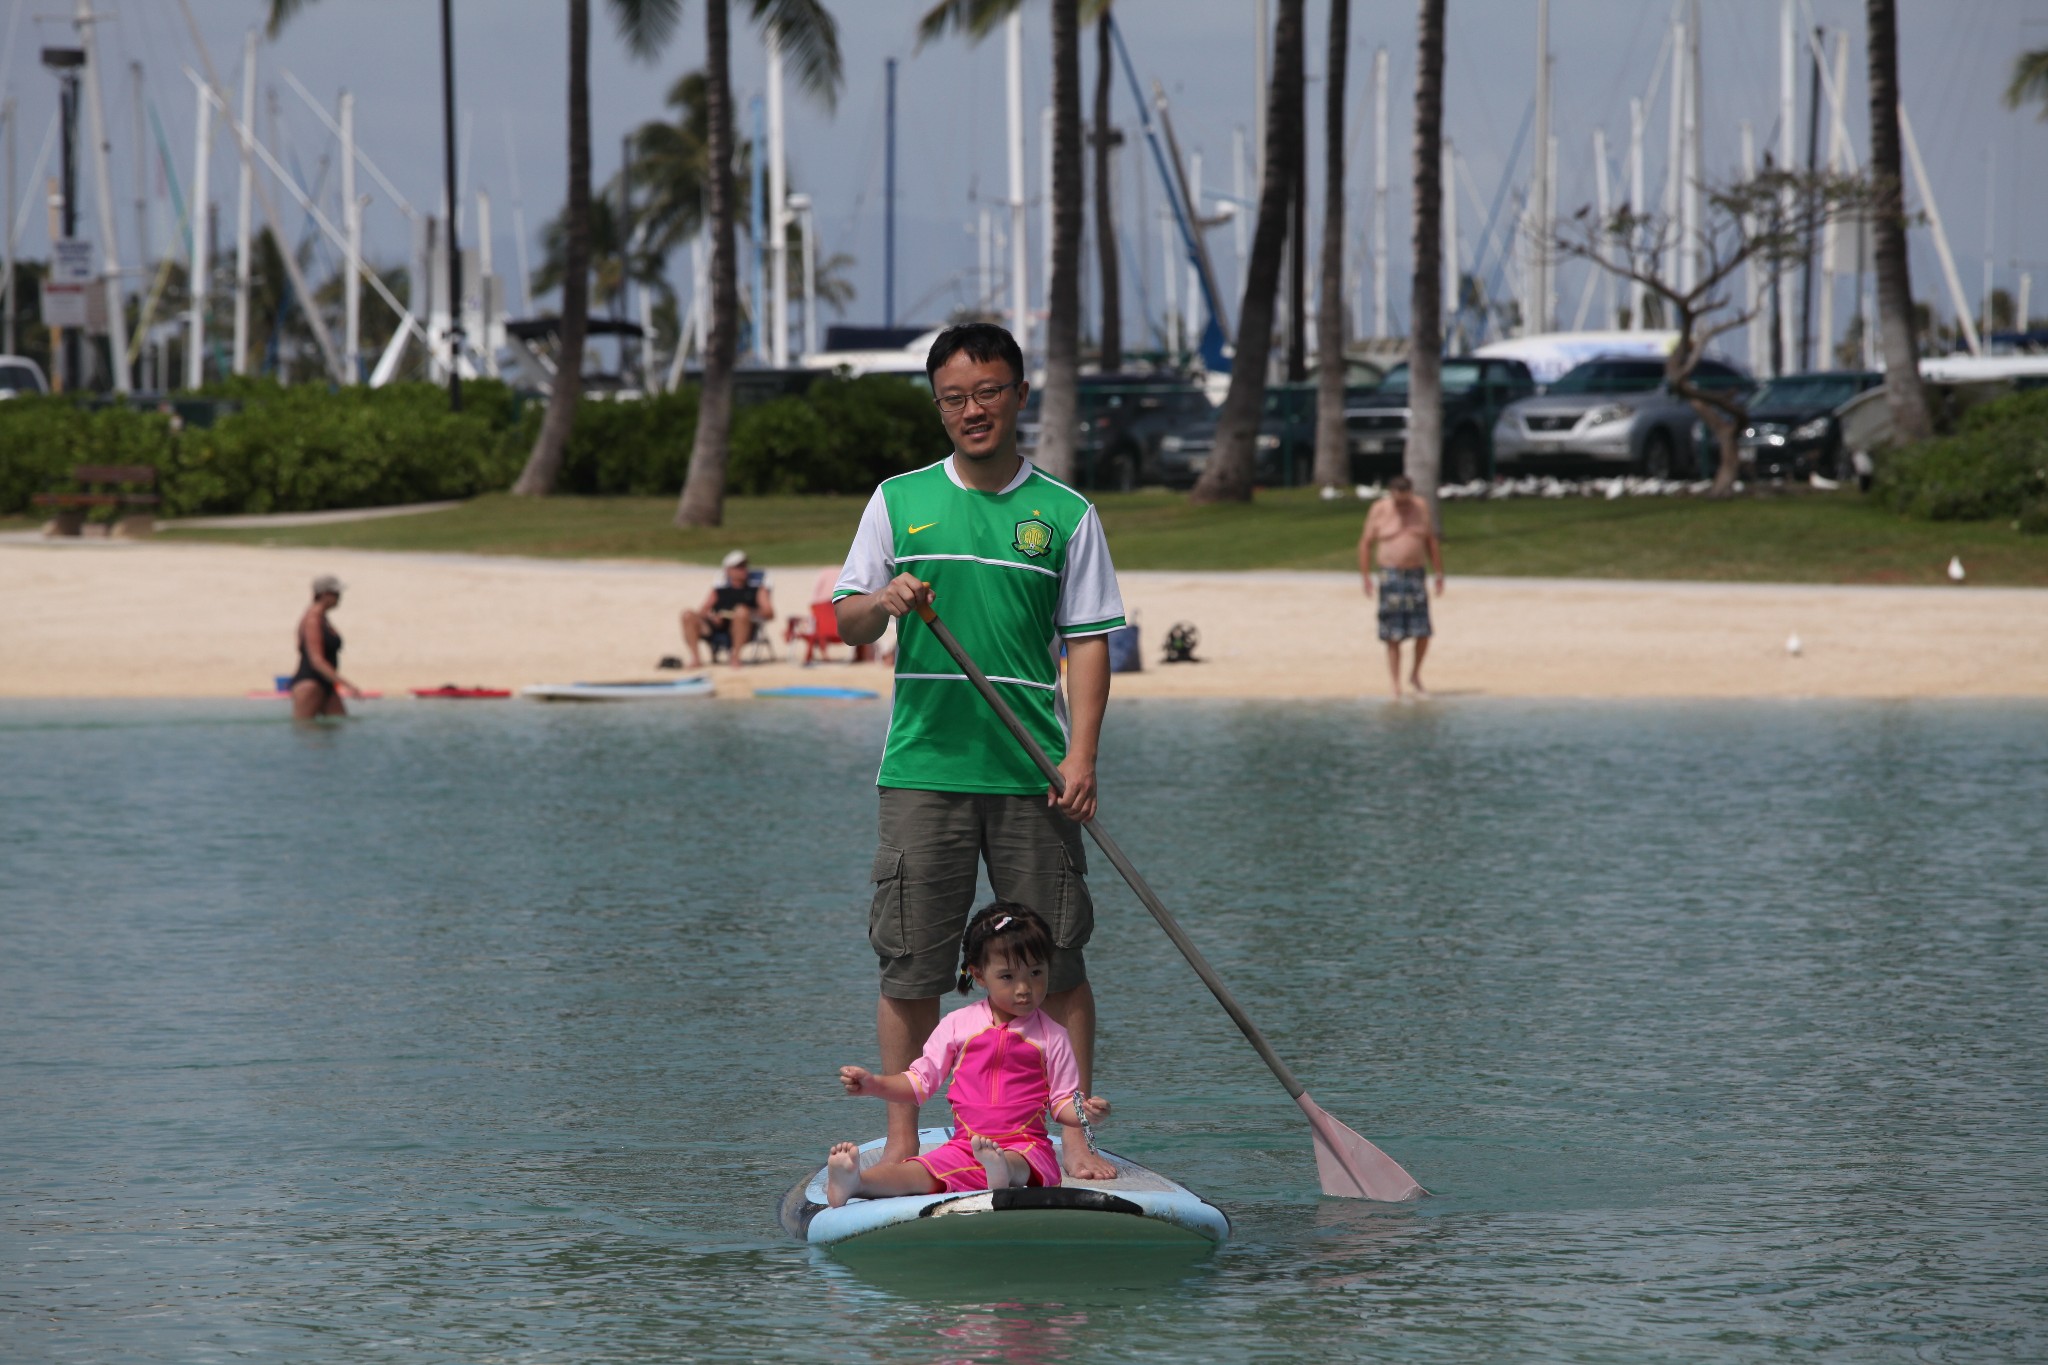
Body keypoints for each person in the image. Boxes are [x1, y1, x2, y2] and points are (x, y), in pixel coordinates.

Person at [833, 321, 1124, 1181]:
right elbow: (847, 620)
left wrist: (1083, 758)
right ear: (938, 406)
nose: (973, 410)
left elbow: (1091, 642)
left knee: (1058, 965)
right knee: (912, 962)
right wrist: (884, 598)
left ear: (1019, 395)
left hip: (1034, 773)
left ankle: (1068, 1138)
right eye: (954, 398)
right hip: (924, 771)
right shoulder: (898, 500)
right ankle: (902, 1148)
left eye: (989, 392)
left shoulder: (1066, 514)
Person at [825, 904, 1113, 1207]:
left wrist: (1085, 1113)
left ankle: (1001, 1171)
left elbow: (1062, 1103)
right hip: (966, 1146)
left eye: (1036, 972)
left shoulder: (1054, 1035)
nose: (1024, 988)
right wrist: (874, 1084)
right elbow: (918, 1083)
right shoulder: (957, 1026)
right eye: (1007, 976)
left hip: (1027, 1145)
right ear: (979, 975)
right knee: (918, 1174)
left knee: (1021, 1163)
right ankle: (855, 1182)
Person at [1359, 475, 1445, 700]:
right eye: (1399, 501)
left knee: (1423, 631)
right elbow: (1366, 543)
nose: (1402, 506)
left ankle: (1415, 675)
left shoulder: (1420, 507)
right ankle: (1395, 684)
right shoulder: (1380, 509)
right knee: (1393, 633)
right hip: (1390, 575)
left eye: (1406, 500)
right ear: (1391, 494)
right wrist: (1366, 576)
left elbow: (1430, 541)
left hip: (1416, 574)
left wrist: (1439, 573)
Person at [681, 550, 775, 669]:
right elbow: (702, 611)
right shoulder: (719, 589)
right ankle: (695, 658)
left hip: (743, 628)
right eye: (738, 567)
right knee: (687, 615)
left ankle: (735, 657)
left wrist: (747, 612)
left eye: (744, 566)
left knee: (741, 612)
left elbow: (769, 613)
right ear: (728, 570)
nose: (743, 569)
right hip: (717, 626)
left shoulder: (757, 588)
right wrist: (711, 616)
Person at [289, 574, 361, 720]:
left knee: (340, 726)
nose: (339, 598)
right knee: (307, 733)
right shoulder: (312, 619)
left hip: (325, 683)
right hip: (310, 684)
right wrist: (346, 684)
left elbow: (299, 646)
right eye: (336, 594)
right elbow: (316, 660)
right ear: (324, 594)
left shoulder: (322, 618)